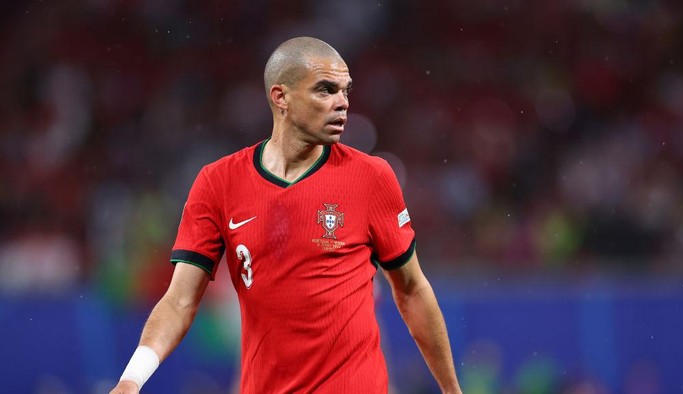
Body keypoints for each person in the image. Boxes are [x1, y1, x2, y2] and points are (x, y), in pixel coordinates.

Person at [110, 36, 462, 394]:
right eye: (326, 90)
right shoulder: (218, 183)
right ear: (281, 98)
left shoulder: (371, 178)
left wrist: (451, 390)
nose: (343, 103)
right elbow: (180, 300)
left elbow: (413, 290)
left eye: (345, 90)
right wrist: (131, 380)